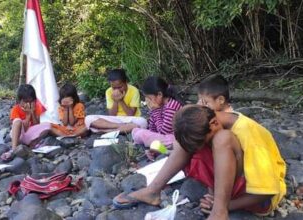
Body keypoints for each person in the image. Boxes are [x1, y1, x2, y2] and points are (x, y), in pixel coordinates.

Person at [113, 105, 286, 219]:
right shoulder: (204, 119)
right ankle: (152, 191)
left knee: (222, 139)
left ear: (214, 122)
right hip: (225, 190)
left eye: (204, 144)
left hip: (256, 198)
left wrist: (224, 206)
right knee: (184, 139)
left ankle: (220, 211)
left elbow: (267, 192)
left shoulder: (248, 131)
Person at [131, 76, 182, 159]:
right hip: (165, 139)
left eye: (150, 98)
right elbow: (153, 130)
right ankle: (160, 151)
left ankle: (163, 151)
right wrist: (153, 112)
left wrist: (156, 111)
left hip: (175, 139)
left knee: (142, 134)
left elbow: (163, 132)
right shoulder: (160, 105)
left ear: (159, 94)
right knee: (136, 130)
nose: (148, 101)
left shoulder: (171, 106)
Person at [85, 69, 147, 133]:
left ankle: (107, 130)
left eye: (120, 87)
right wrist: (115, 101)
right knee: (88, 119)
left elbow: (131, 114)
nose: (117, 90)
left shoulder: (134, 90)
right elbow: (112, 114)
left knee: (143, 122)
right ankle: (123, 128)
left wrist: (121, 100)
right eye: (114, 88)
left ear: (126, 82)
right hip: (115, 120)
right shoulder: (109, 91)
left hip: (131, 119)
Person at [1, 84, 51, 161]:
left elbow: (36, 125)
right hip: (19, 136)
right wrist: (27, 115)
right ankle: (14, 149)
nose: (28, 104)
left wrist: (32, 113)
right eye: (25, 101)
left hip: (30, 136)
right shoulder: (16, 109)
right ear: (19, 101)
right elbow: (21, 127)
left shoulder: (35, 107)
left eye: (31, 101)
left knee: (47, 125)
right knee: (18, 121)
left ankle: (32, 145)